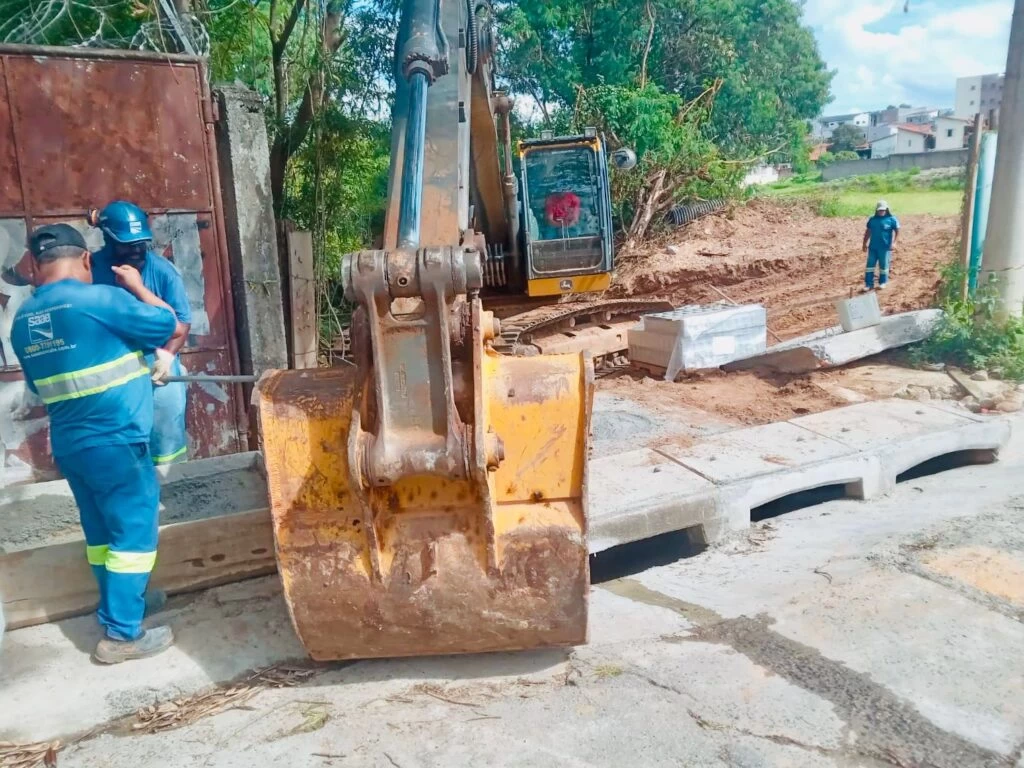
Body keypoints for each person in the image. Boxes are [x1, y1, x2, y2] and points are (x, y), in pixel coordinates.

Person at [11, 224, 182, 663]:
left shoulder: (24, 322)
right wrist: (139, 286)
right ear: (87, 259)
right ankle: (123, 635)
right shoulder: (101, 298)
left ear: (36, 265)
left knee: (102, 534)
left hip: (70, 445)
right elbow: (167, 322)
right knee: (135, 532)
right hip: (116, 442)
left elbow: (41, 382)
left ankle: (119, 605)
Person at [90, 201, 192, 465]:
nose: (136, 250)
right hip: (111, 367)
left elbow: (181, 324)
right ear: (108, 238)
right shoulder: (91, 270)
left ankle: (174, 490)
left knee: (166, 440)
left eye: (140, 243)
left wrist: (167, 357)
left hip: (156, 363)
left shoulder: (162, 271)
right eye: (127, 244)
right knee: (122, 449)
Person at [862, 200, 900, 291]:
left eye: (883, 210)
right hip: (873, 247)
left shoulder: (892, 219)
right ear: (876, 210)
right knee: (870, 266)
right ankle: (868, 284)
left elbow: (897, 231)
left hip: (885, 248)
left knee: (883, 265)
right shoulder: (872, 220)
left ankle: (883, 282)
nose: (881, 211)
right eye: (880, 210)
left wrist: (895, 242)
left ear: (887, 209)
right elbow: (868, 232)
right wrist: (864, 243)